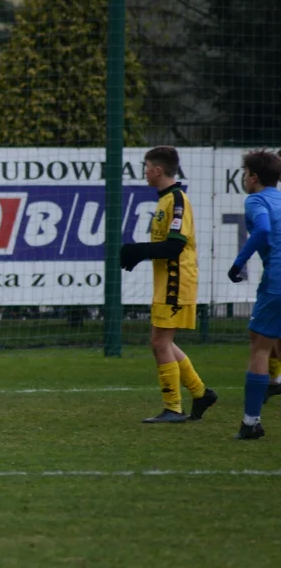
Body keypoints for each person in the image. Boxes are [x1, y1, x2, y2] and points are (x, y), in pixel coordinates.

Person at [120, 146, 217, 423]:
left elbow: (175, 246)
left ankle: (173, 407)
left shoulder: (176, 200)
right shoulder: (166, 200)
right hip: (167, 281)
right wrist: (140, 254)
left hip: (176, 282)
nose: (145, 172)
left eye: (146, 166)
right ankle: (200, 393)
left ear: (157, 170)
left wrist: (139, 252)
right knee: (162, 342)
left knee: (159, 342)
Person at [226, 150, 281, 440]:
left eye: (245, 173)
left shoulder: (256, 200)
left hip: (277, 283)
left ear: (254, 178)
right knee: (264, 340)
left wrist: (238, 263)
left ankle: (250, 423)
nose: (244, 178)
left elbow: (262, 230)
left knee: (260, 347)